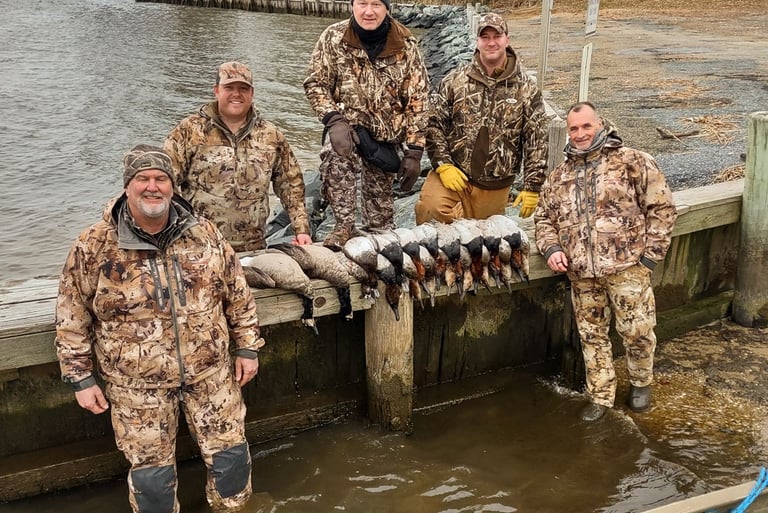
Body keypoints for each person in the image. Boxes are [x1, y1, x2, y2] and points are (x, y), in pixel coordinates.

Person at [55, 145, 264, 512]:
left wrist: (247, 347)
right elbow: (72, 315)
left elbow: (238, 293)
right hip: (136, 387)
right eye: (143, 179)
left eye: (160, 179)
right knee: (151, 480)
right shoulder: (94, 245)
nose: (152, 187)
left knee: (232, 460)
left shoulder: (205, 234)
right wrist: (80, 378)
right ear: (127, 187)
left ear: (172, 186)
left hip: (210, 375)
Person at [534, 102, 678, 422]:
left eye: (586, 126)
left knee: (638, 332)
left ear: (599, 124)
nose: (581, 134)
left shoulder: (632, 161)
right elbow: (543, 219)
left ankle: (641, 384)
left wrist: (649, 258)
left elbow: (662, 208)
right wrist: (552, 249)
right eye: (574, 128)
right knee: (592, 336)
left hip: (627, 268)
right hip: (582, 275)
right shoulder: (560, 176)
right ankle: (600, 395)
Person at [303, 0, 430, 250]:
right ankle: (343, 227)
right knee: (334, 154)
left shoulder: (405, 43)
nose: (368, 11)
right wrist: (333, 119)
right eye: (362, 3)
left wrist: (414, 152)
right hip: (347, 129)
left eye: (376, 4)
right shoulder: (333, 37)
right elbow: (315, 83)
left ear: (387, 8)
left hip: (384, 137)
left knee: (381, 222)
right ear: (352, 5)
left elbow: (419, 100)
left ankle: (379, 236)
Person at [415, 12, 549, 225]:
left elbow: (537, 139)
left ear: (507, 39)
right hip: (453, 174)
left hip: (494, 183)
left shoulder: (527, 89)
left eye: (497, 36)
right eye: (485, 37)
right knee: (430, 211)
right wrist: (443, 164)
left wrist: (533, 186)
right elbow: (433, 124)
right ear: (477, 42)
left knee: (484, 240)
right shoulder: (454, 80)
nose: (491, 42)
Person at [164, 61, 312, 252]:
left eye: (243, 88)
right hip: (200, 247)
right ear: (216, 91)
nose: (236, 94)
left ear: (252, 93)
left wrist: (301, 230)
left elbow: (291, 184)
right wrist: (174, 231)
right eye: (229, 87)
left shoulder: (271, 135)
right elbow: (166, 182)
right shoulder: (189, 131)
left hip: (254, 247)